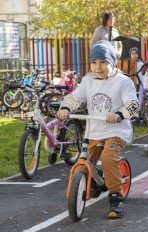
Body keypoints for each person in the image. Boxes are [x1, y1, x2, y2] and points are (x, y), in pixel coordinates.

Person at [56, 40, 139, 218]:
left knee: (108, 157)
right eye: (94, 62)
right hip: (94, 131)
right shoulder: (88, 81)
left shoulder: (123, 82)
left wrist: (119, 114)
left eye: (103, 62)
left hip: (117, 132)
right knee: (85, 160)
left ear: (112, 62)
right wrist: (65, 108)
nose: (98, 67)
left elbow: (133, 104)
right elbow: (75, 97)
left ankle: (115, 196)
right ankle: (92, 182)